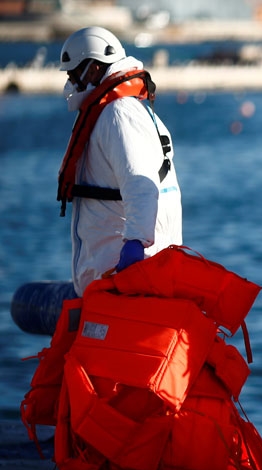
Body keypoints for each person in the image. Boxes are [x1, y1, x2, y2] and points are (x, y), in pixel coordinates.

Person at [56, 26, 183, 298]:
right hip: (117, 283)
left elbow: (141, 184)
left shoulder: (119, 114)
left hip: (127, 283)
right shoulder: (117, 110)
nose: (69, 83)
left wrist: (136, 244)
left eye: (72, 74)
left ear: (92, 69)